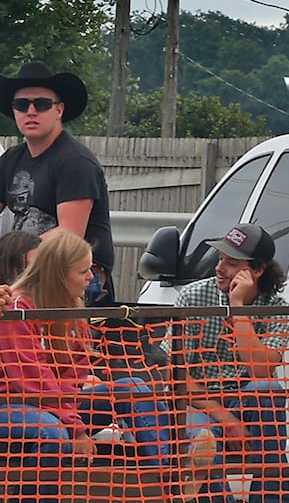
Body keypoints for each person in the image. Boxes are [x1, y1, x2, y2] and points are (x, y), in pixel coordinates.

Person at [0, 233, 172, 476]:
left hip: (56, 406)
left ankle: (173, 470)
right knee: (53, 432)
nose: (91, 277)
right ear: (58, 275)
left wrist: (71, 419)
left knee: (131, 388)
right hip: (13, 403)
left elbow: (74, 377)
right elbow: (31, 380)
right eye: (83, 271)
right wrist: (75, 427)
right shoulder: (17, 309)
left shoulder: (72, 311)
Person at [171, 223, 289, 503]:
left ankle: (269, 498)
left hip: (246, 401)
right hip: (199, 402)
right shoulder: (192, 297)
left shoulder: (278, 308)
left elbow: (261, 372)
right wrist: (224, 417)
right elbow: (176, 374)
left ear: (257, 270)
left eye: (231, 262)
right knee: (204, 440)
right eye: (220, 259)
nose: (219, 267)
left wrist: (238, 310)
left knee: (267, 389)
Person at [0, 61, 115, 305]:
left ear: (59, 110)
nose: (30, 111)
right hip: (27, 271)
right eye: (22, 105)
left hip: (79, 276)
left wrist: (13, 253)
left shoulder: (76, 162)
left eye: (41, 104)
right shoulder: (11, 159)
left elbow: (70, 233)